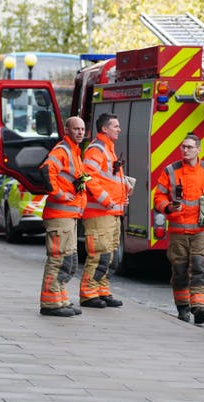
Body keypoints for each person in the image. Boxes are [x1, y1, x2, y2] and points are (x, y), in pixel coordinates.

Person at [153, 134, 204, 324]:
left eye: (189, 147)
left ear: (198, 149)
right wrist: (168, 207)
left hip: (201, 231)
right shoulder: (170, 171)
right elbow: (158, 197)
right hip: (178, 232)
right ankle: (183, 307)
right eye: (183, 147)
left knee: (199, 266)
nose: (185, 150)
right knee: (179, 271)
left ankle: (199, 307)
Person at [38, 117, 88, 317]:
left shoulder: (75, 152)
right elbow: (46, 171)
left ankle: (60, 300)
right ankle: (50, 303)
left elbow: (78, 180)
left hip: (69, 215)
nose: (80, 132)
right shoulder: (63, 150)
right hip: (60, 215)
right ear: (67, 130)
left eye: (82, 129)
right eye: (76, 128)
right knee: (58, 259)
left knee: (69, 260)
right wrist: (59, 194)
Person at [78, 113, 129, 309]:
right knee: (99, 254)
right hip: (99, 213)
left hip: (110, 213)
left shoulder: (108, 149)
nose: (119, 129)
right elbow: (87, 177)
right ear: (105, 129)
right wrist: (106, 200)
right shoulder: (97, 149)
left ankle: (101, 290)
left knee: (107, 254)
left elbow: (107, 178)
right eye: (115, 126)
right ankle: (89, 294)